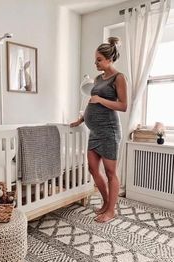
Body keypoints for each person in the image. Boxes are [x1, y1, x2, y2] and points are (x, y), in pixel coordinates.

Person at [70, 37, 127, 223]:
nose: (95, 63)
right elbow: (91, 101)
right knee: (93, 169)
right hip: (95, 132)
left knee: (111, 173)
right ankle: (105, 202)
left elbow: (123, 106)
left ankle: (111, 211)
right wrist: (82, 118)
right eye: (95, 60)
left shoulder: (119, 78)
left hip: (109, 131)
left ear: (109, 59)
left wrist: (101, 100)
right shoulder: (97, 78)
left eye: (99, 60)